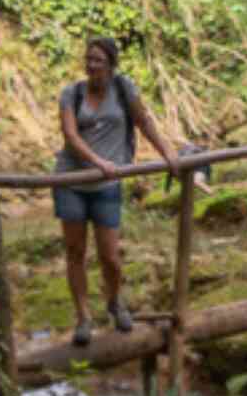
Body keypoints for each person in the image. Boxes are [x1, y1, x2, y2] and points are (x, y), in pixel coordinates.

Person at [54, 36, 179, 347]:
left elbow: (143, 121)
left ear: (111, 64)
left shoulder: (124, 90)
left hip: (107, 185)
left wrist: (168, 153)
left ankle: (114, 302)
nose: (92, 65)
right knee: (75, 252)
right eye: (89, 59)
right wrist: (99, 162)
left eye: (98, 60)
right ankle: (83, 317)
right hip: (71, 181)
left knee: (110, 256)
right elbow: (70, 136)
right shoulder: (72, 94)